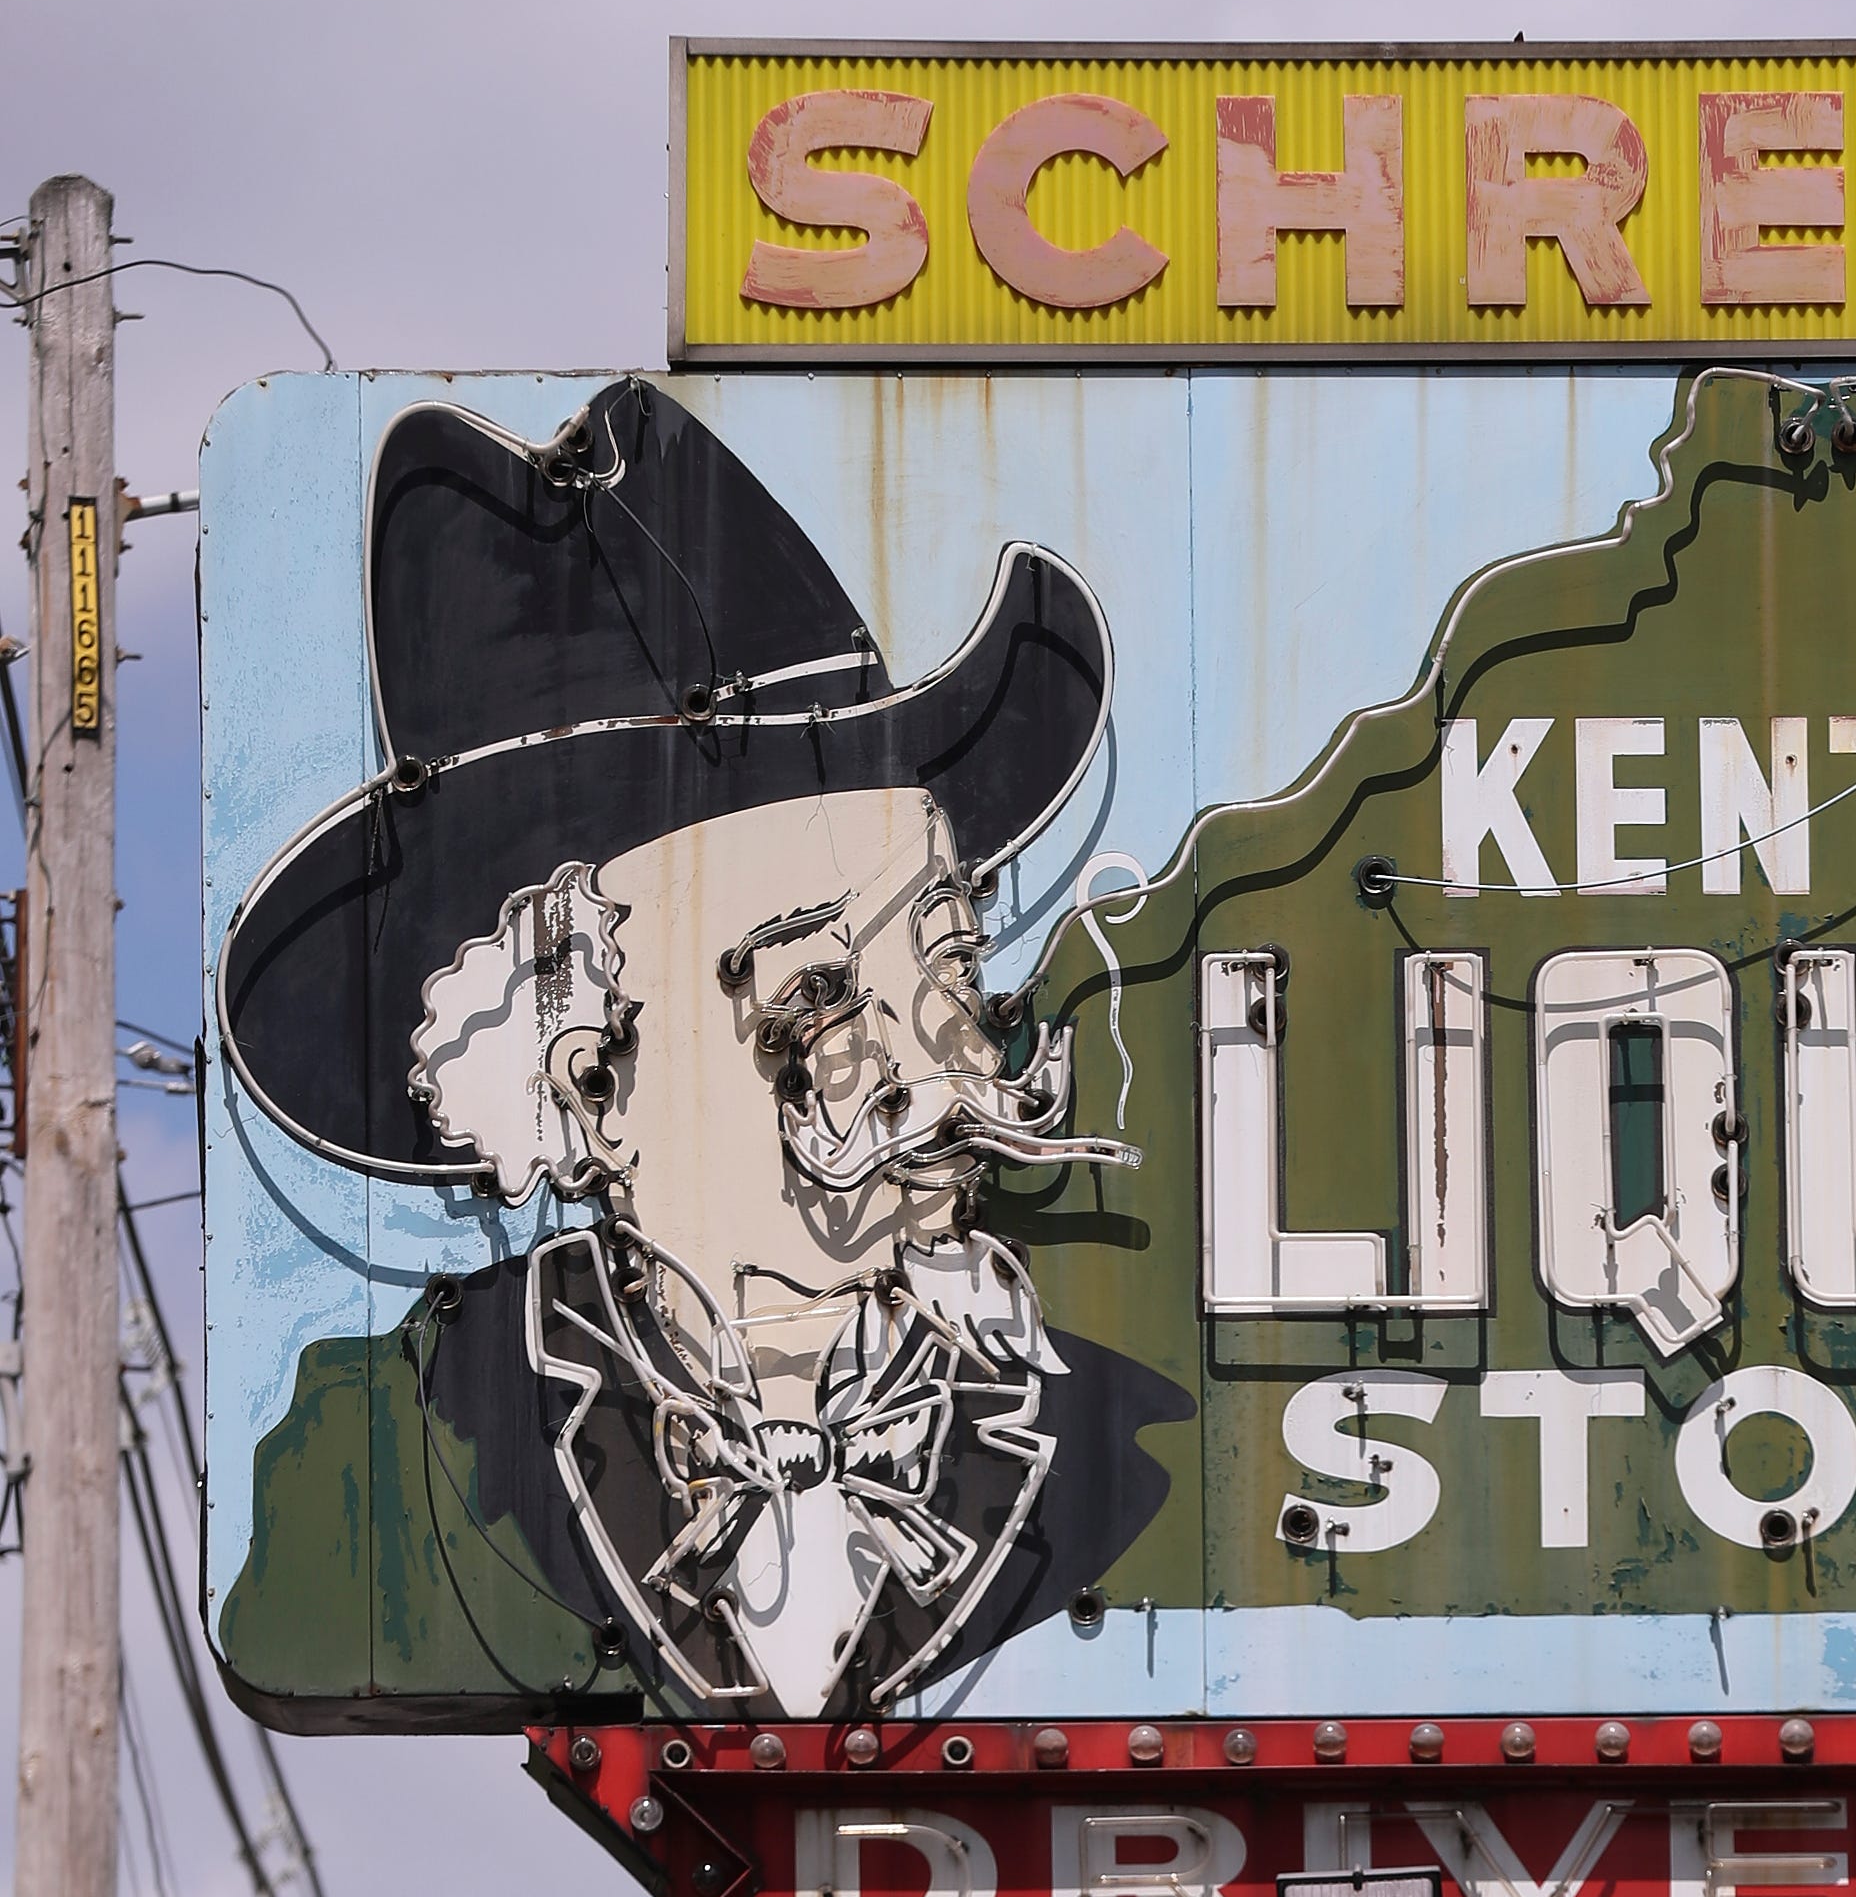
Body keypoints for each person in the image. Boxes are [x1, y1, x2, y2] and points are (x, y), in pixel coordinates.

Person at [218, 376, 1188, 1717]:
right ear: (589, 1082)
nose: (928, 1063)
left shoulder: (1128, 1444)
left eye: (949, 960)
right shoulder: (382, 1450)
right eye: (818, 994)